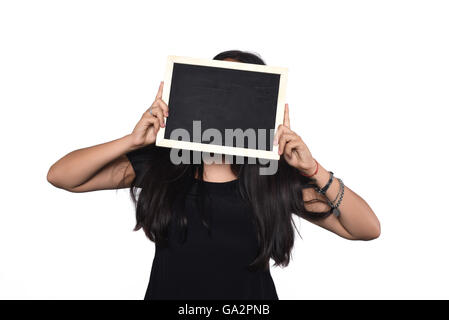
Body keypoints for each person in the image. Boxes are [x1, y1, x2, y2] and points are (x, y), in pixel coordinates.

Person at [47, 50, 381, 300]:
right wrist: (132, 140)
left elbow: (366, 229)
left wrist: (314, 170)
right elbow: (62, 176)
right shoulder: (162, 167)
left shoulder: (273, 178)